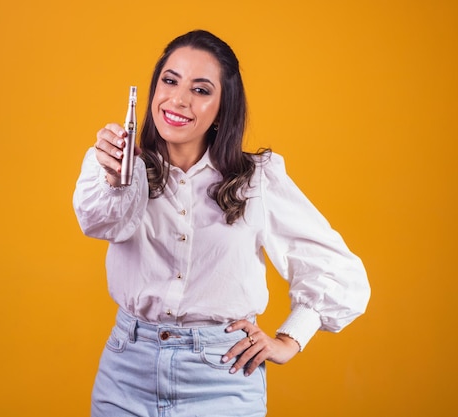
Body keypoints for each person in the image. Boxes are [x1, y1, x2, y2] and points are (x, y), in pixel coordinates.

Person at [73, 29, 370, 417]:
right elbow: (102, 225)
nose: (178, 99)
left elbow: (336, 268)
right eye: (170, 80)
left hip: (222, 375)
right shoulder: (116, 166)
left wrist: (290, 337)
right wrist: (115, 179)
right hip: (127, 372)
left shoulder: (257, 178)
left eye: (200, 90)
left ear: (222, 108)